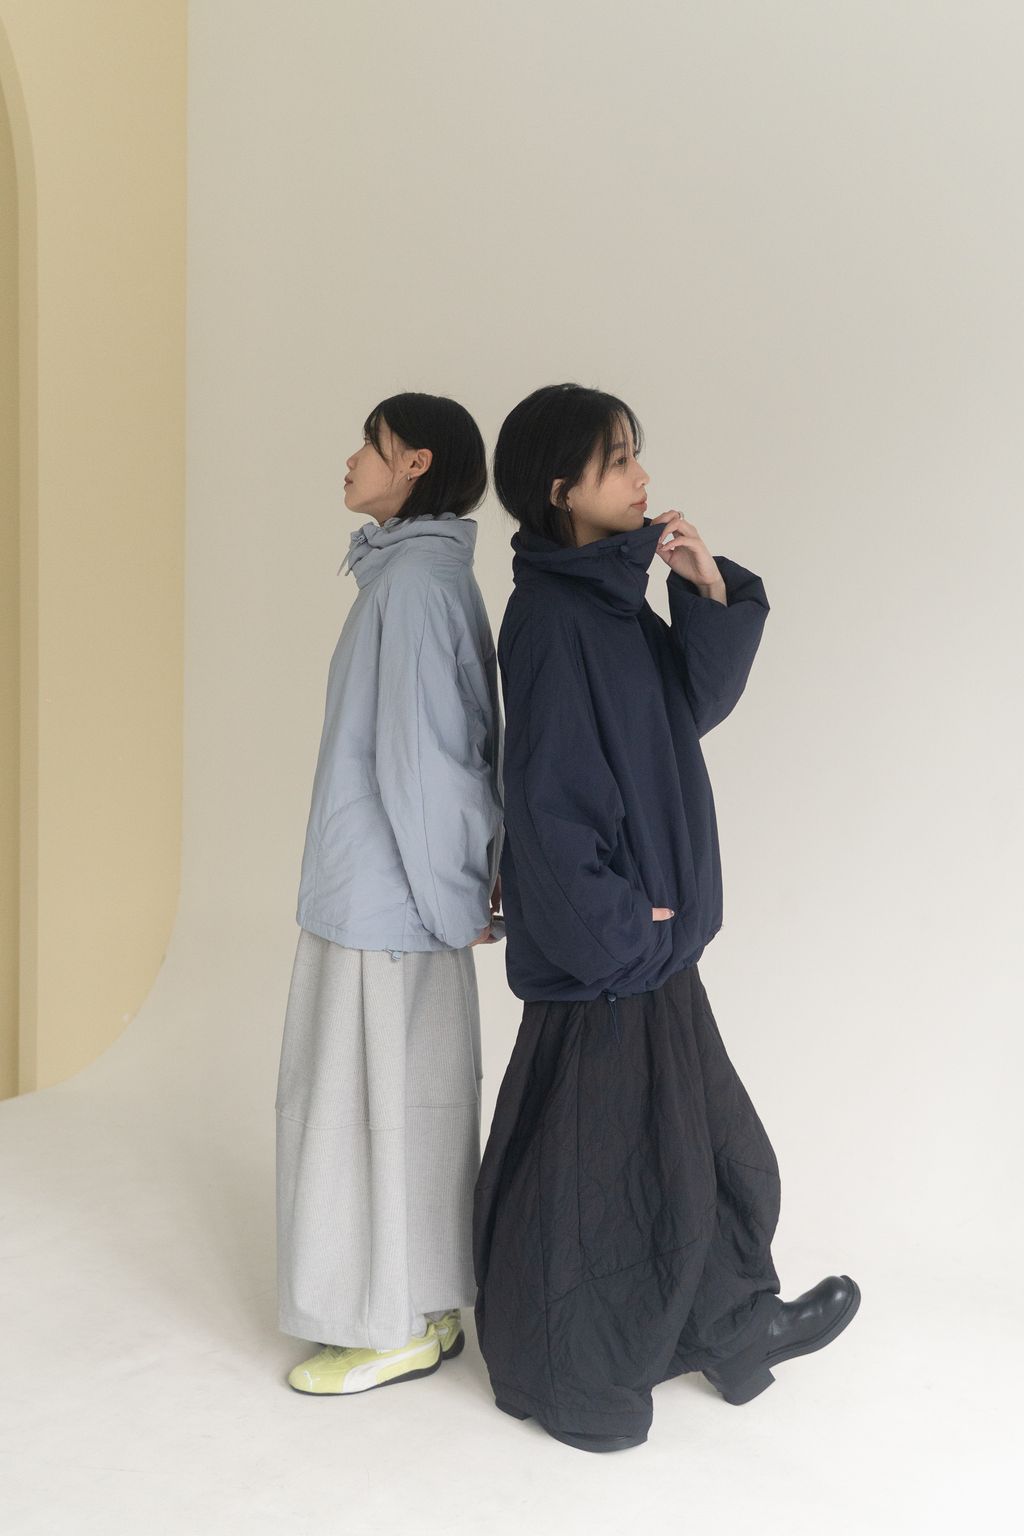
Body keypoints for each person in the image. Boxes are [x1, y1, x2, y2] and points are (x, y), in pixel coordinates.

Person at [472, 382, 859, 1452]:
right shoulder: (552, 618)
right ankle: (574, 1375)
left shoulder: (606, 599)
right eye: (618, 461)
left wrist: (705, 588)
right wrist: (623, 935)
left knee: (705, 1151)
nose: (642, 475)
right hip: (613, 955)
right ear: (563, 490)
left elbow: (684, 711)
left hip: (649, 947)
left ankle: (734, 1330)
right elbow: (548, 806)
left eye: (636, 454)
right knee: (602, 1180)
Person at [277, 392, 504, 1396]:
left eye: (369, 445)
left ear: (415, 463)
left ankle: (387, 1326)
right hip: (398, 894)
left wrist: (454, 904)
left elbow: (425, 765)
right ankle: (421, 1305)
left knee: (359, 1112)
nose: (350, 460)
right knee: (408, 1107)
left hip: (386, 902)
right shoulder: (417, 576)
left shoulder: (410, 587)